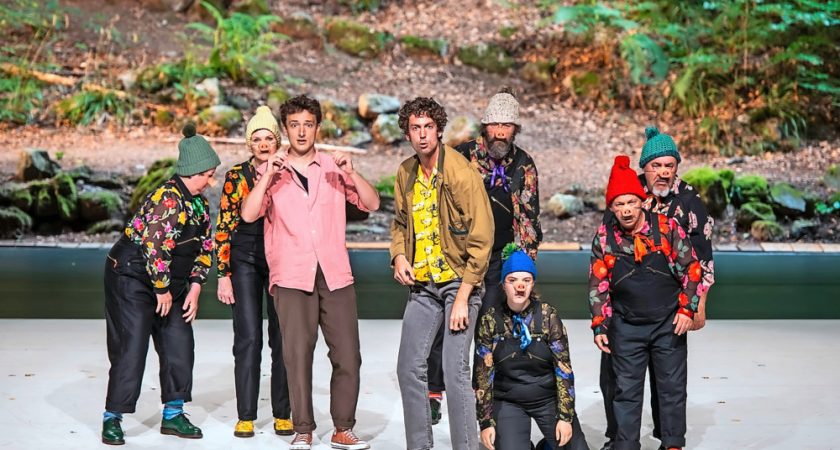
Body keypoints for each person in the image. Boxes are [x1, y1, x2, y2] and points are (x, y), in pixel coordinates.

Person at [240, 95, 380, 450]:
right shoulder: (272, 170)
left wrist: (351, 172)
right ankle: (302, 428)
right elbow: (249, 214)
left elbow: (372, 203)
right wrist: (266, 176)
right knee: (296, 355)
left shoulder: (333, 167)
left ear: (318, 127)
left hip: (334, 272)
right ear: (285, 129)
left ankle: (343, 428)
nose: (301, 132)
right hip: (291, 273)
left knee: (347, 355)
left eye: (308, 124)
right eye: (294, 125)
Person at [423, 87, 543, 423]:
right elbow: (438, 204)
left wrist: (524, 266)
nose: (500, 132)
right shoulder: (460, 156)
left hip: (499, 256)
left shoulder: (523, 164)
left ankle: (482, 393)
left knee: (489, 324)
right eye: (495, 125)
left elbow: (529, 218)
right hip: (458, 254)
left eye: (507, 126)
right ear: (485, 126)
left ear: (515, 129)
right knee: (446, 320)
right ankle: (434, 391)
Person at [101, 124, 220, 445]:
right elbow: (155, 247)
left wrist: (196, 285)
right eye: (209, 175)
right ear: (193, 172)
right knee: (132, 345)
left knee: (179, 342)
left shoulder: (198, 204)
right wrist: (162, 290)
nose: (212, 181)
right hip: (132, 277)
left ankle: (173, 414)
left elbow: (205, 247)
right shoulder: (167, 199)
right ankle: (113, 416)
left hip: (170, 282)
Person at [598, 127, 715, 450]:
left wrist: (696, 305)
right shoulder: (627, 191)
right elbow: (604, 249)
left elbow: (702, 258)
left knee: (669, 378)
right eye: (656, 166)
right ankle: (619, 438)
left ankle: (669, 438)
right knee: (616, 378)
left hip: (670, 305)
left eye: (669, 166)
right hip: (624, 307)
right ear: (645, 167)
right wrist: (603, 315)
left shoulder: (689, 201)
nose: (663, 172)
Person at [391, 96, 494, 450]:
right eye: (415, 128)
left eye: (428, 127)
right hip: (423, 284)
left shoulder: (461, 173)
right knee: (408, 367)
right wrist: (398, 256)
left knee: (454, 368)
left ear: (439, 130)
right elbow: (399, 223)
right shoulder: (405, 172)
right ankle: (420, 445)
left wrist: (464, 296)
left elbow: (482, 237)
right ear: (407, 133)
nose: (422, 135)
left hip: (459, 282)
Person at [215, 106, 292, 438]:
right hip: (244, 257)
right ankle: (245, 414)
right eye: (257, 139)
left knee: (283, 337)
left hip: (281, 258)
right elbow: (223, 226)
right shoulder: (236, 176)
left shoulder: (289, 172)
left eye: (268, 138)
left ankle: (283, 413)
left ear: (277, 141)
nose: (263, 144)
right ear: (250, 144)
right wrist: (223, 274)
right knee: (248, 337)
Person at [475, 244, 587, 450]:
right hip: (508, 401)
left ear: (532, 283)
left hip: (547, 398)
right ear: (503, 284)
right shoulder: (490, 320)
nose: (520, 286)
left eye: (526, 280)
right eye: (512, 280)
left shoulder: (548, 316)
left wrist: (565, 417)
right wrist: (486, 421)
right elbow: (483, 375)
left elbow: (564, 370)